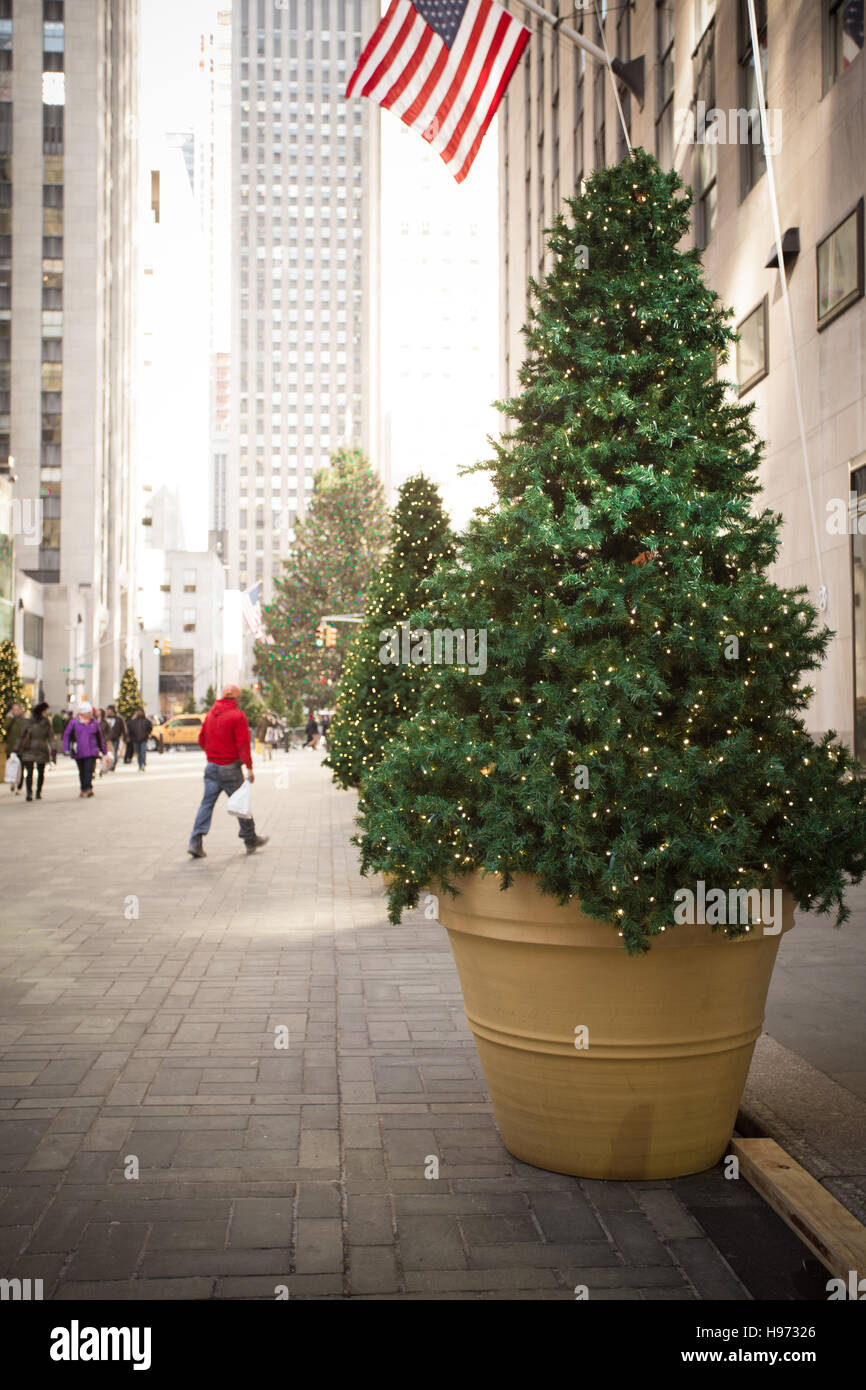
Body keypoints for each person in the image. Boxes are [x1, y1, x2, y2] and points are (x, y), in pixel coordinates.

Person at [188, 683, 267, 858]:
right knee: (241, 802)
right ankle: (250, 839)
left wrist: (212, 753)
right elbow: (242, 744)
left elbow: (201, 739)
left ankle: (195, 841)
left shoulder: (210, 715)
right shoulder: (237, 716)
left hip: (211, 767)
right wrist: (249, 768)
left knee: (206, 804)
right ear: (237, 698)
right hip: (229, 767)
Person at [63, 702, 107, 797]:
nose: (90, 714)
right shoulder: (74, 722)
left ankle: (88, 788)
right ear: (82, 713)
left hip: (91, 751)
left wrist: (103, 750)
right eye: (88, 712)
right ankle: (83, 788)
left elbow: (99, 737)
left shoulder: (94, 722)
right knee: (82, 771)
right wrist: (66, 748)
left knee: (89, 770)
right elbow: (67, 735)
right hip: (79, 751)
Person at [17, 701, 56, 801]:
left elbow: (50, 736)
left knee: (41, 771)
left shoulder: (46, 722)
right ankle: (29, 792)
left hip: (41, 749)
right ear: (41, 711)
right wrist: (16, 749)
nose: (47, 712)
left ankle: (38, 791)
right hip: (29, 749)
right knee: (29, 772)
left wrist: (53, 748)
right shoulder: (28, 722)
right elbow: (21, 736)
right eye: (45, 711)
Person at [4, 701, 26, 794]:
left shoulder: (24, 720)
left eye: (17, 709)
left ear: (21, 710)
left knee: (21, 767)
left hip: (21, 748)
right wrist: (10, 718)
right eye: (13, 710)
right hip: (11, 747)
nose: (15, 711)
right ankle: (12, 782)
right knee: (11, 766)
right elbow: (5, 728)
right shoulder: (10, 719)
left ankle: (19, 787)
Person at [104, 705, 126, 771]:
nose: (108, 711)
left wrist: (125, 736)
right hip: (107, 739)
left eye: (109, 710)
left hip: (115, 738)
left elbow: (123, 728)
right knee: (108, 753)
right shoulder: (105, 719)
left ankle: (113, 765)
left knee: (114, 752)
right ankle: (109, 765)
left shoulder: (119, 719)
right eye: (107, 710)